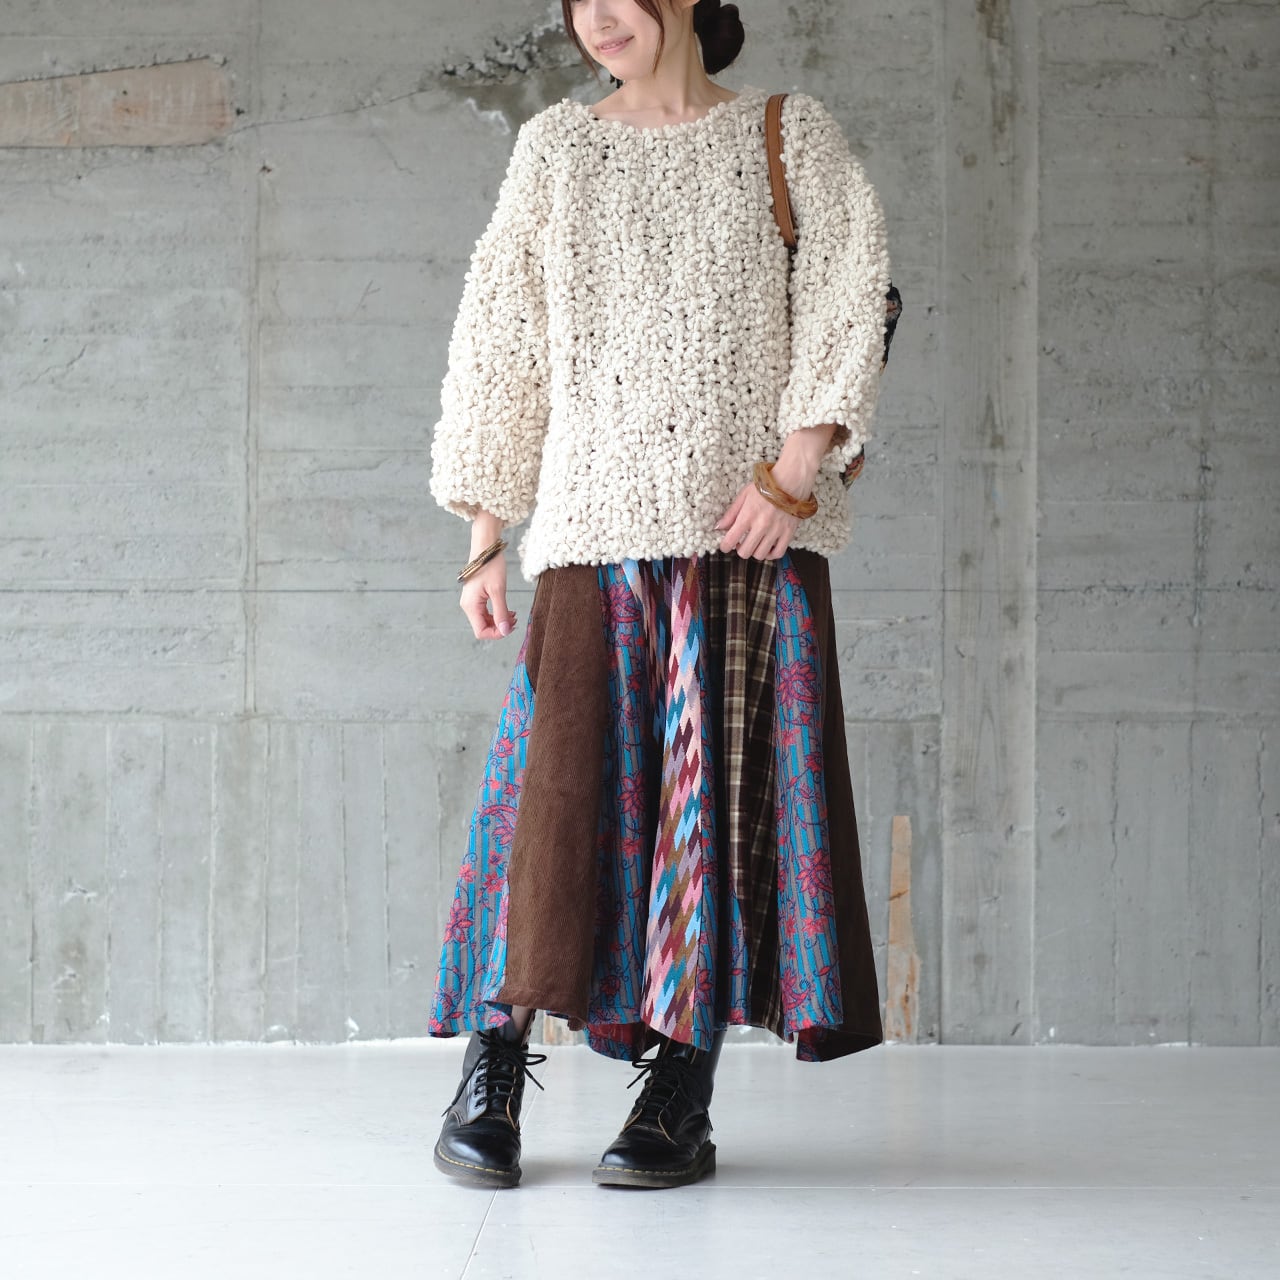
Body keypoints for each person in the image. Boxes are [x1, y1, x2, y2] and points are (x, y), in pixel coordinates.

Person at [426, 0, 899, 1191]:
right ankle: (493, 1066)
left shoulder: (788, 133)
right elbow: (500, 332)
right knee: (549, 812)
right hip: (593, 535)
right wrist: (484, 536)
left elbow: (851, 292)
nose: (595, 18)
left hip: (744, 540)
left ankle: (676, 1091)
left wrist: (794, 472)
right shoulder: (557, 147)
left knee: (714, 823)